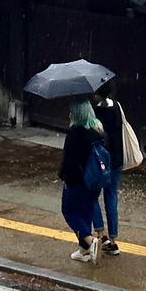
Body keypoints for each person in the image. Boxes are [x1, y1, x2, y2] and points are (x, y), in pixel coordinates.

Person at [57, 99, 107, 263]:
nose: (70, 112)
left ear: (77, 114)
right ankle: (84, 250)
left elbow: (69, 161)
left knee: (70, 211)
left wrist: (62, 175)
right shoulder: (97, 130)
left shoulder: (75, 133)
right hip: (95, 180)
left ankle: (90, 241)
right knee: (86, 211)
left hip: (76, 180)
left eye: (72, 110)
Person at [90, 88, 126, 256]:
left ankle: (100, 234)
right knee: (111, 198)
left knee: (92, 196)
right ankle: (113, 240)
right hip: (116, 159)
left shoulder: (95, 111)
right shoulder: (118, 107)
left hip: (100, 161)